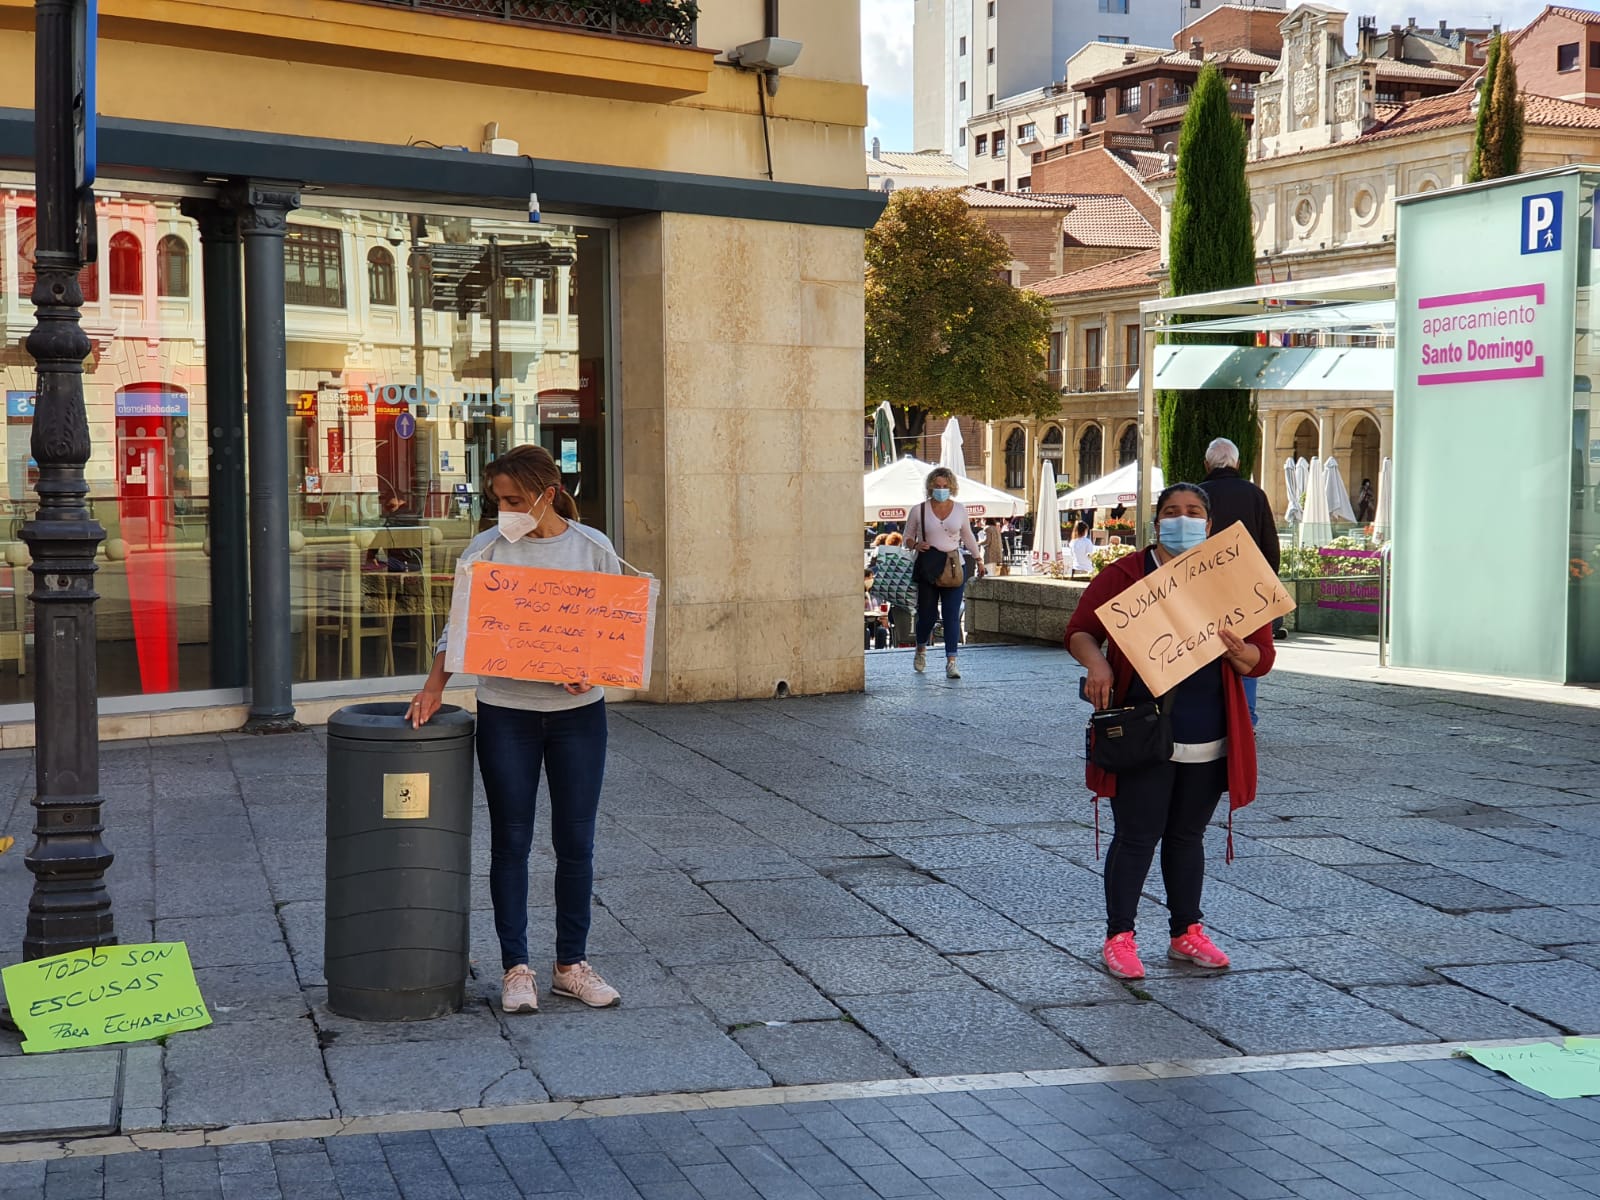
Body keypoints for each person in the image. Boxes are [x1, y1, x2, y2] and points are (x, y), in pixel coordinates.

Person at [409, 445, 622, 1016]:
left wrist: (595, 668)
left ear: (547, 494)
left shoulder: (593, 548)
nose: (503, 510)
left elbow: (615, 629)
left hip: (580, 716)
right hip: (506, 710)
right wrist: (435, 685)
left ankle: (570, 966)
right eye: (496, 500)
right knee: (511, 842)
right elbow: (460, 625)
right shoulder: (486, 549)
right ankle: (516, 968)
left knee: (576, 842)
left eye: (513, 499)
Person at [1065, 482, 1275, 982]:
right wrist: (1099, 667)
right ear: (1156, 522)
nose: (1183, 519)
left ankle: (1187, 932)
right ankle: (1119, 937)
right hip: (1145, 730)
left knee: (1187, 836)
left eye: (1194, 511)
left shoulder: (1237, 579)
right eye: (1172, 512)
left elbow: (1261, 657)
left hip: (1210, 729)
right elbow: (1079, 630)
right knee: (1137, 836)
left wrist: (1239, 653)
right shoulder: (1127, 574)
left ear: (1210, 522)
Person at [1200, 437, 1281, 720]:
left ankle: (1210, 714)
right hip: (1250, 588)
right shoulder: (1255, 494)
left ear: (1207, 465)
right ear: (1238, 464)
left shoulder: (1198, 494)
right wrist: (1269, 588)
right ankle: (1246, 717)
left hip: (1205, 587)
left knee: (1208, 650)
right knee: (1247, 649)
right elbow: (1271, 545)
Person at [904, 466, 984, 679]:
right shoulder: (918, 510)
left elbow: (968, 536)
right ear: (931, 487)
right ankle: (921, 647)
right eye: (937, 486)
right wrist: (916, 544)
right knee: (927, 616)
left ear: (952, 487)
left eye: (945, 486)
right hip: (928, 567)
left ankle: (951, 661)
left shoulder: (959, 509)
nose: (941, 490)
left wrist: (978, 559)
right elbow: (906, 537)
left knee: (951, 615)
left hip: (953, 567)